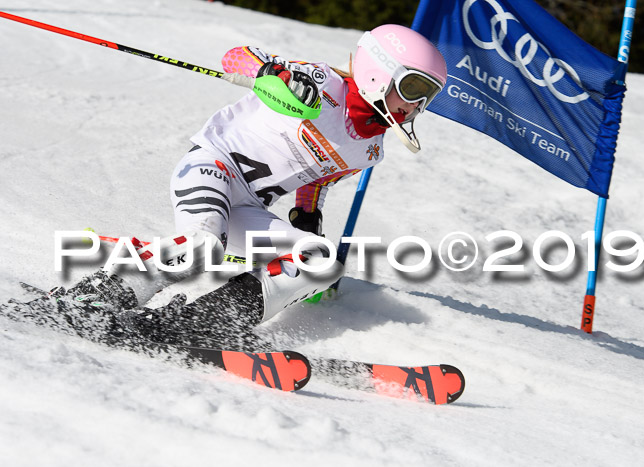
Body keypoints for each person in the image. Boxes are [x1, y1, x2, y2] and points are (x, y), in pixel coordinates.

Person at [11, 25, 447, 348]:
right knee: (204, 246)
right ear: (378, 73)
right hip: (212, 168)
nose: (416, 105)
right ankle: (101, 296)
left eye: (427, 95)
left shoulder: (370, 149)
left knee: (321, 263)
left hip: (250, 206)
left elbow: (320, 177)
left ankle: (205, 322)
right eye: (412, 87)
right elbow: (237, 56)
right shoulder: (320, 82)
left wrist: (307, 214)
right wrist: (270, 71)